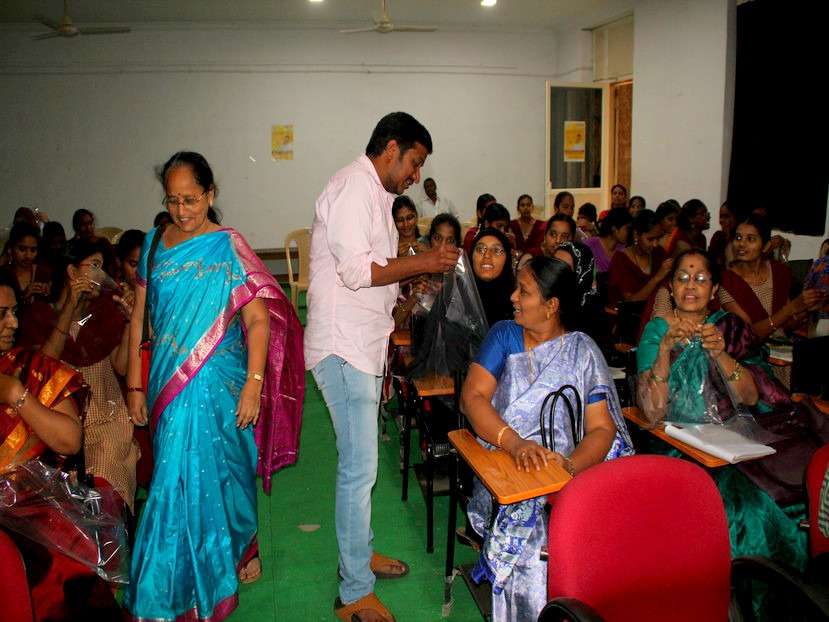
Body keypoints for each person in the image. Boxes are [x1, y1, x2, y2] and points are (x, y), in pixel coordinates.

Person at [123, 151, 305, 621]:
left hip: (222, 381)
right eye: (172, 200)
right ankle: (164, 594)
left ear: (210, 194)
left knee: (226, 475)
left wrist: (254, 384)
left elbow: (258, 321)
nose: (181, 210)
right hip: (168, 385)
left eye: (191, 199)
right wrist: (135, 385)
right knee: (171, 482)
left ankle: (239, 546)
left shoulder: (228, 247)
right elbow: (140, 317)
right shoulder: (153, 244)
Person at [305, 112, 460, 622]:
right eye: (415, 161)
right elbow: (356, 272)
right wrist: (424, 263)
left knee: (361, 466)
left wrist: (410, 283)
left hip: (362, 345)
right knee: (358, 470)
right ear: (391, 148)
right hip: (343, 347)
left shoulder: (375, 194)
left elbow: (377, 273)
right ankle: (353, 590)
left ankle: (359, 553)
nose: (416, 174)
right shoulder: (353, 186)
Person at [461, 256, 633, 622]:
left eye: (523, 292)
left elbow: (601, 429)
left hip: (568, 467)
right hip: (507, 461)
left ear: (552, 305)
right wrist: (516, 444)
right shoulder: (505, 335)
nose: (513, 297)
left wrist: (569, 466)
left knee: (610, 536)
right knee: (534, 545)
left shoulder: (582, 351)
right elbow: (472, 398)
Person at [637, 248, 809, 569]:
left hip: (731, 437)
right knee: (742, 509)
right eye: (682, 278)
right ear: (671, 288)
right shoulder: (657, 331)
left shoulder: (727, 329)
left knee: (790, 492)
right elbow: (653, 411)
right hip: (677, 443)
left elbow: (750, 397)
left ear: (714, 289)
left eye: (701, 279)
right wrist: (664, 351)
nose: (691, 286)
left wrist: (720, 354)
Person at [0, 275, 127, 621]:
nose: (13, 323)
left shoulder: (32, 368)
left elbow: (69, 440)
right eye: (2, 314)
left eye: (14, 312)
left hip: (30, 508)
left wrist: (15, 394)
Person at [16, 238, 139, 510]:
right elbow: (43, 365)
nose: (100, 275)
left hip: (105, 414)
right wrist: (70, 307)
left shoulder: (104, 312)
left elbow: (120, 367)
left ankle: (110, 530)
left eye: (103, 268)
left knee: (105, 480)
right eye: (94, 266)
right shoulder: (39, 314)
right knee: (60, 495)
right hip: (59, 417)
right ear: (72, 271)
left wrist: (130, 322)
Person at [719, 215, 825, 387]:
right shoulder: (726, 282)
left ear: (766, 245)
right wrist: (791, 309)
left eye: (750, 239)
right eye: (738, 238)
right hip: (751, 361)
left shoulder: (779, 272)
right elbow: (749, 336)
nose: (741, 244)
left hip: (783, 354)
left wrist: (806, 308)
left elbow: (786, 326)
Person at [607, 209, 672, 308]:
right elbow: (631, 302)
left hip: (657, 311)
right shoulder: (621, 260)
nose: (655, 244)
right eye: (650, 239)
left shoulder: (659, 253)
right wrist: (657, 278)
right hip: (628, 314)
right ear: (636, 235)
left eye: (658, 239)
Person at [471, 228, 515, 329]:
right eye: (480, 249)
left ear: (507, 259)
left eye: (496, 250)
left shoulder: (517, 301)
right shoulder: (456, 295)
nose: (487, 255)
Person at [0, 223, 52, 305]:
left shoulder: (43, 272)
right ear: (10, 249)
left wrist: (48, 295)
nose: (28, 256)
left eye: (33, 250)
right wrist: (23, 297)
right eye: (22, 249)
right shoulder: (3, 275)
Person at [584, 208, 631, 274]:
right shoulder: (589, 245)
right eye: (627, 229)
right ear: (614, 229)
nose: (629, 232)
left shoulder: (624, 250)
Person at [708, 201, 736, 267]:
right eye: (720, 216)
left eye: (726, 216)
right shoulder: (718, 237)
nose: (721, 220)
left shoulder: (741, 240)